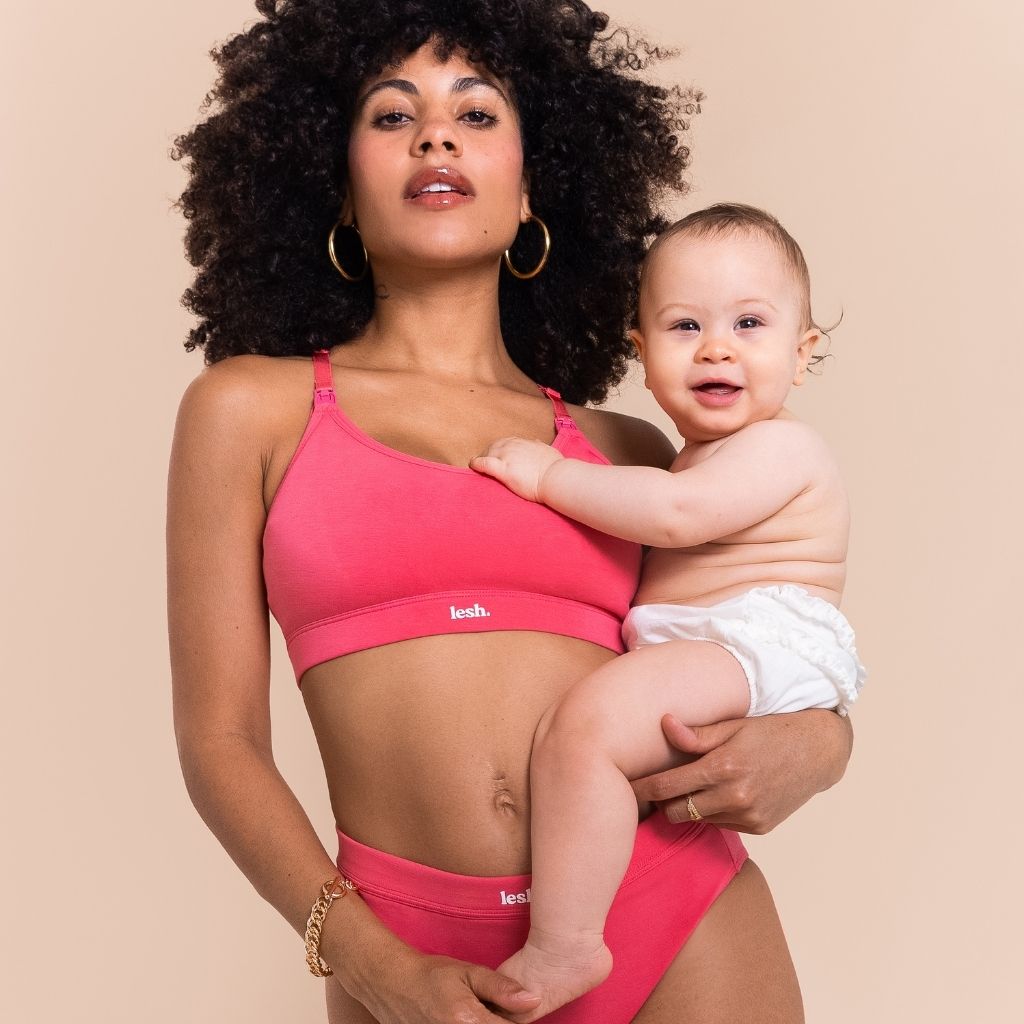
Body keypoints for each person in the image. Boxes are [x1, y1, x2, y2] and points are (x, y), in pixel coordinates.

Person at [166, 4, 853, 1022]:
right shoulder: (248, 410)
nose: (436, 137)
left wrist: (826, 744)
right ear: (337, 183)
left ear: (534, 185)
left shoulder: (629, 450)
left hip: (674, 913)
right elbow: (220, 744)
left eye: (477, 113)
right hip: (403, 947)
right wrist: (369, 963)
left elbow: (765, 623)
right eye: (393, 115)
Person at [470, 203, 866, 1018]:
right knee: (592, 735)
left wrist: (549, 477)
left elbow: (677, 517)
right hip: (728, 640)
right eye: (686, 326)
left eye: (749, 324)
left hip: (760, 636)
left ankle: (569, 943)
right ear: (641, 354)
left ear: (802, 354)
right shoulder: (690, 455)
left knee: (586, 731)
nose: (716, 347)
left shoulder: (779, 446)